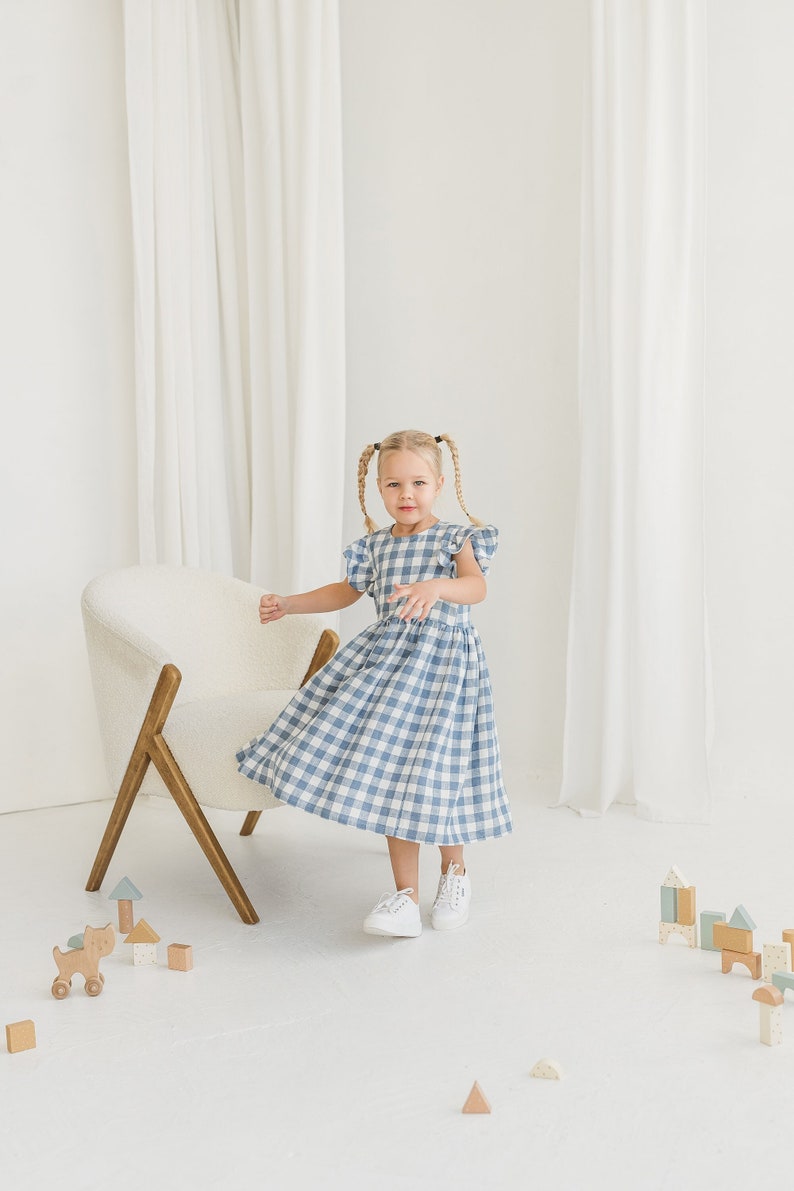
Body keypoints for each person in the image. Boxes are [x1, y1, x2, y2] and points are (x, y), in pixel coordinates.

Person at [237, 429, 511, 937]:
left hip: (444, 670)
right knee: (392, 773)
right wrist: (293, 604)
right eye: (393, 485)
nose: (406, 495)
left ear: (439, 483)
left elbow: (477, 587)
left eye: (418, 483)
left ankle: (454, 872)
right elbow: (345, 591)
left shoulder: (454, 539)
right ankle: (404, 895)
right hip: (386, 667)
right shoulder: (376, 546)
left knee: (439, 770)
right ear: (378, 489)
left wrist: (437, 586)